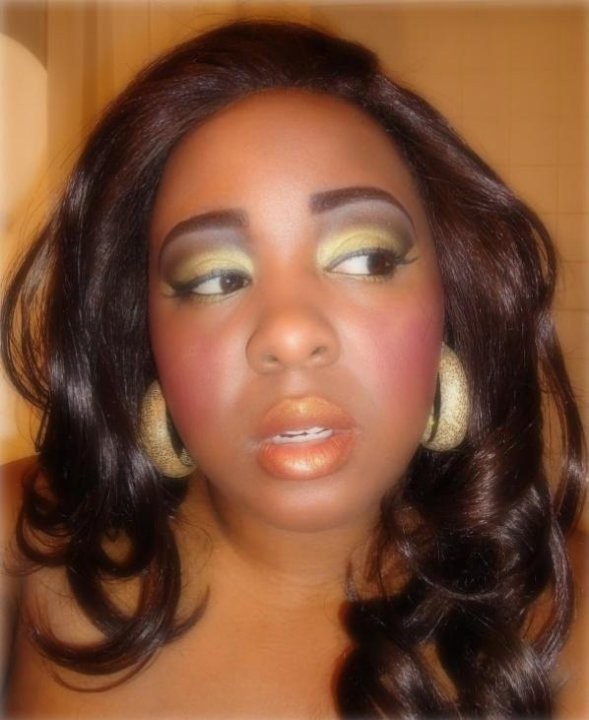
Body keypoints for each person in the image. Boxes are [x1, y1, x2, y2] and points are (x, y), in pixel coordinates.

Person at [0, 18, 586, 719]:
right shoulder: (23, 544)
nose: (288, 333)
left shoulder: (567, 611)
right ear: (145, 333)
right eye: (214, 277)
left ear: (448, 301)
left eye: (365, 258)